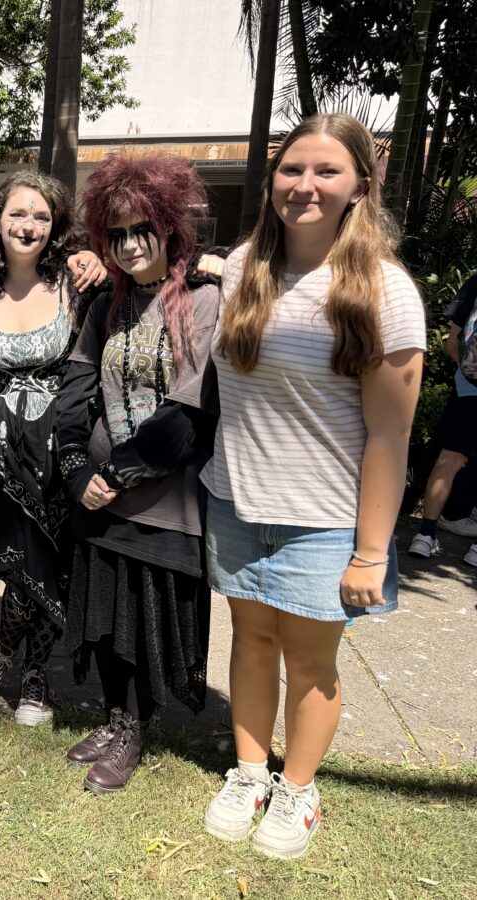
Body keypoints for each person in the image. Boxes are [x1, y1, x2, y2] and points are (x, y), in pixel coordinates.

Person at [200, 114, 424, 860]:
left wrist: (371, 552)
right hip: (236, 499)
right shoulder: (244, 268)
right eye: (292, 169)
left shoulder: (384, 291)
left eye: (327, 171)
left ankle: (298, 788)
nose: (305, 185)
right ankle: (249, 773)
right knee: (251, 641)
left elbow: (389, 437)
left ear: (361, 184)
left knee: (310, 662)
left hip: (325, 520)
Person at [57, 154, 219, 794]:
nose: (129, 246)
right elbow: (74, 395)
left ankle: (134, 727)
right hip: (98, 498)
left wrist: (115, 475)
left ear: (169, 226)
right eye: (117, 234)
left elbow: (188, 415)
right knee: (102, 617)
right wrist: (78, 473)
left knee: (141, 624)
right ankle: (114, 717)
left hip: (164, 504)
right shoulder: (105, 306)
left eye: (141, 230)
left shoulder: (203, 301)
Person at [0, 171, 85, 727]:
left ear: (55, 227)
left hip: (61, 442)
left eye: (41, 216)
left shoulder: (75, 282)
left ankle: (27, 663)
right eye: (18, 213)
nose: (28, 225)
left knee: (53, 560)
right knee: (14, 558)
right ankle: (13, 647)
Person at [406, 271, 477, 565]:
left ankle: (425, 535)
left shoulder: (476, 283)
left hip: (469, 388)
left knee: (449, 459)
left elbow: (453, 343)